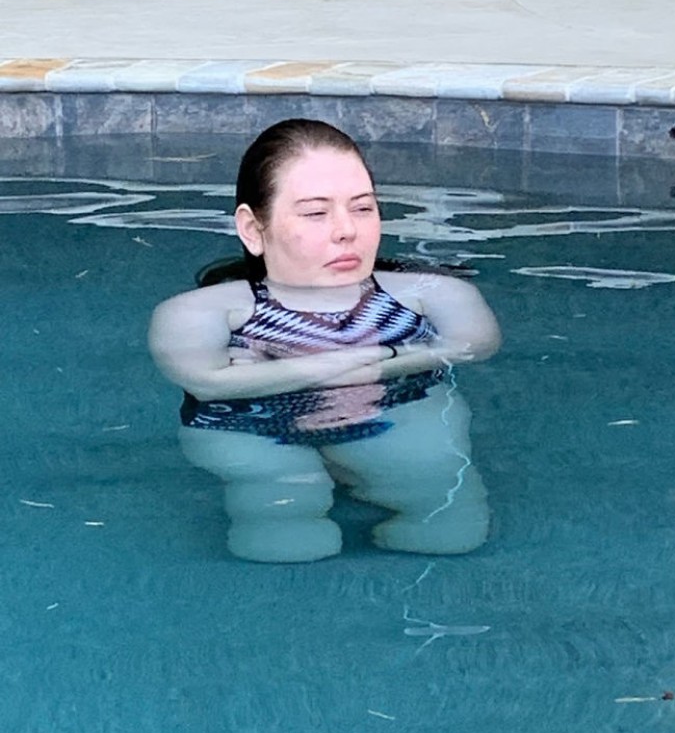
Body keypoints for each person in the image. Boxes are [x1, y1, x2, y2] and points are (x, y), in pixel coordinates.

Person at [148, 119, 501, 563]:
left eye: (363, 208)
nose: (346, 230)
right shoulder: (197, 312)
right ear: (253, 229)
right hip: (249, 427)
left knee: (448, 529)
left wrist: (370, 365)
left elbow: (476, 344)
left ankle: (359, 469)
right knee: (286, 535)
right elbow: (210, 385)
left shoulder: (434, 295)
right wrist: (363, 362)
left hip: (388, 407)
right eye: (316, 213)